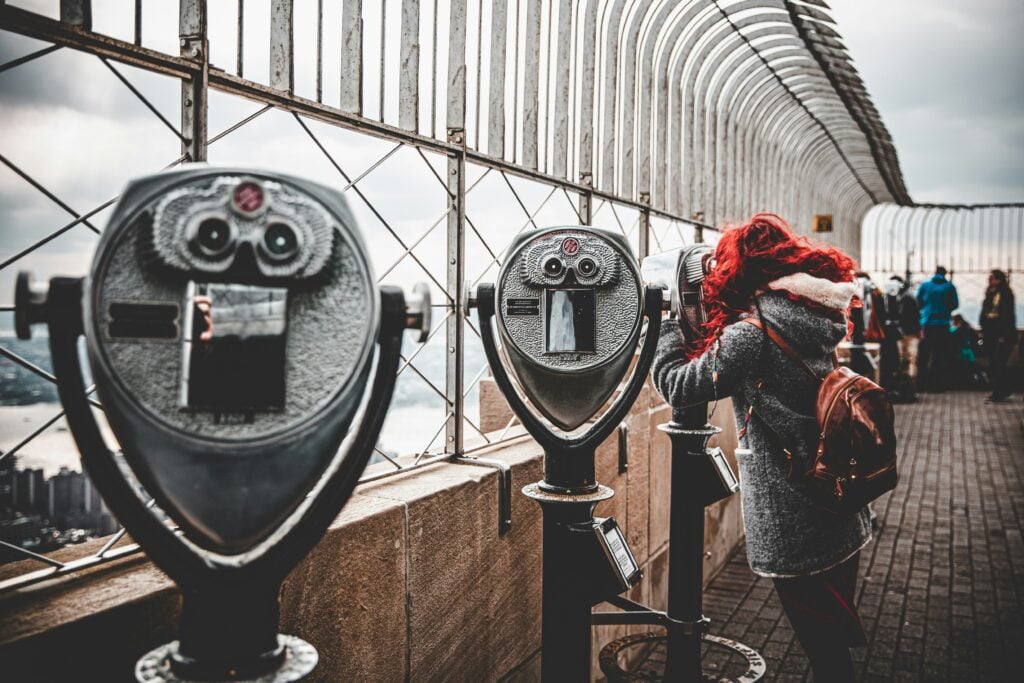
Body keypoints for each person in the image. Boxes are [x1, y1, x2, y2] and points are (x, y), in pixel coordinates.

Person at [652, 214, 870, 682]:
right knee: (829, 632)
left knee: (821, 640)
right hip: (835, 490)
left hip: (793, 501)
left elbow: (679, 385)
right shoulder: (817, 313)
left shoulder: (752, 332)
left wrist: (667, 325)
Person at [915, 266, 958, 392]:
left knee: (924, 356)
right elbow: (955, 304)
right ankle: (938, 385)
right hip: (943, 324)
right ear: (945, 274)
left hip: (927, 324)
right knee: (940, 356)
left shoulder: (925, 286)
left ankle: (922, 385)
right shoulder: (950, 287)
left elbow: (918, 302)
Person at [979, 269, 1017, 402]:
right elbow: (985, 311)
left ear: (998, 279)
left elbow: (1006, 315)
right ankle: (1003, 389)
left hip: (1002, 334)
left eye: (992, 278)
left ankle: (999, 392)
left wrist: (1004, 334)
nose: (989, 280)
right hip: (992, 334)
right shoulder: (991, 293)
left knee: (998, 363)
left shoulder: (1005, 293)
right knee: (995, 363)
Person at [949, 314, 984, 389]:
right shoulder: (969, 329)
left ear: (956, 322)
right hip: (970, 356)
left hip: (960, 355)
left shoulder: (955, 331)